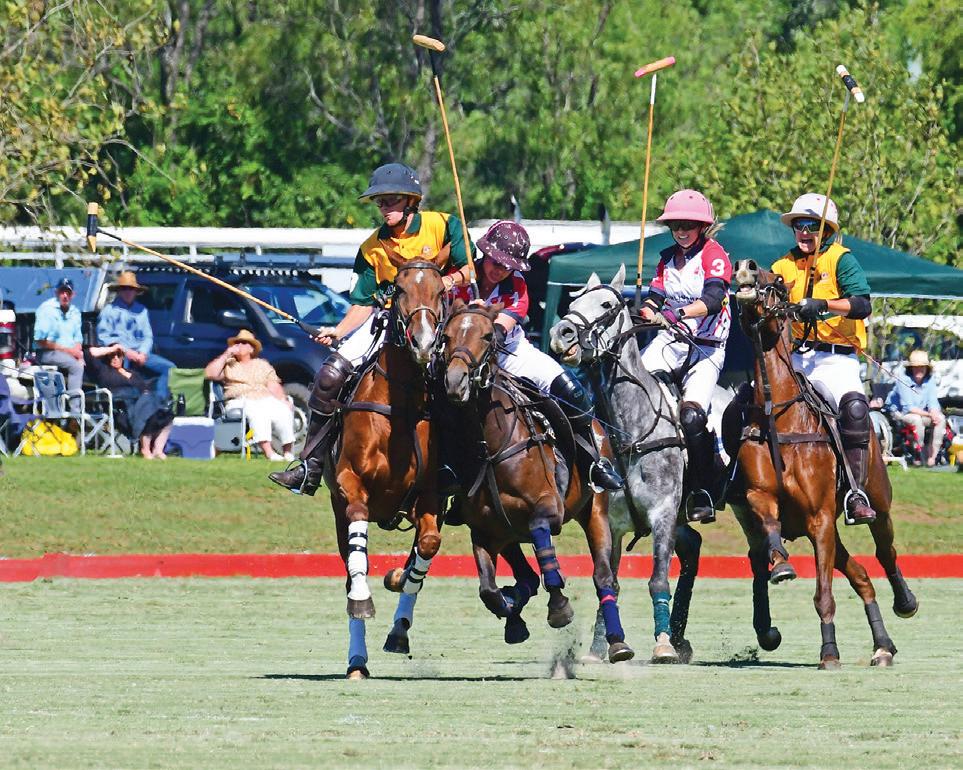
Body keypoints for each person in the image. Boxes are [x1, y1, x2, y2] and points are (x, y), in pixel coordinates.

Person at [270, 162, 473, 494]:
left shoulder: (443, 224)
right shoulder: (371, 247)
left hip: (440, 318)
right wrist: (338, 331)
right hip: (391, 320)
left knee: (462, 378)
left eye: (391, 200)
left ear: (411, 201)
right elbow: (365, 301)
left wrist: (440, 283)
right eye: (380, 202)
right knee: (329, 376)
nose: (384, 207)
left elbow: (470, 269)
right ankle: (310, 466)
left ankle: (460, 467)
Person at [452, 220, 622, 491]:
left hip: (510, 353)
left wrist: (481, 316)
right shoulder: (460, 279)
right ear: (485, 253)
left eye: (507, 265)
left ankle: (593, 462)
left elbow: (497, 335)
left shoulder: (517, 286)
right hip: (462, 355)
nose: (499, 270)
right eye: (495, 261)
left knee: (571, 390)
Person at [770, 192, 876, 524]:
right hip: (796, 357)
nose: (805, 232)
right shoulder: (781, 266)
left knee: (855, 408)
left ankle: (855, 492)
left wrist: (824, 305)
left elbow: (862, 304)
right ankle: (743, 481)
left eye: (812, 226)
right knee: (757, 403)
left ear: (826, 230)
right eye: (799, 225)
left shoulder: (841, 259)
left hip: (836, 359)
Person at [638, 190, 731, 523]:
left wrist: (676, 313)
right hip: (672, 342)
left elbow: (714, 298)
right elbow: (655, 296)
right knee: (631, 384)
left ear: (702, 226)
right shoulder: (667, 259)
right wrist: (647, 311)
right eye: (676, 225)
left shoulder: (714, 254)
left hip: (707, 347)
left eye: (688, 225)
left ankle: (702, 488)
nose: (681, 231)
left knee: (691, 416)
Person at [204, 329, 295, 461]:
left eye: (244, 343)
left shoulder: (262, 364)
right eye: (237, 343)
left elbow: (273, 385)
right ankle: (269, 453)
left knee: (283, 410)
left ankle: (288, 453)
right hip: (240, 400)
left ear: (251, 349)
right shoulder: (229, 364)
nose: (239, 345)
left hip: (264, 398)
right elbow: (209, 373)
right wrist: (227, 354)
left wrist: (282, 399)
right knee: (258, 412)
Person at [85, 343, 173, 459]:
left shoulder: (132, 373)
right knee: (149, 408)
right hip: (121, 408)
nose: (115, 358)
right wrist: (113, 348)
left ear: (123, 357)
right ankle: (145, 449)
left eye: (118, 355)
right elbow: (89, 353)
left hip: (140, 404)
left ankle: (158, 450)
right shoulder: (103, 370)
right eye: (112, 355)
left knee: (166, 414)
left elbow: (144, 390)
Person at [97, 270, 175, 397]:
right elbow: (103, 338)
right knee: (123, 369)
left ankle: (159, 400)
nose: (128, 292)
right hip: (120, 355)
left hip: (141, 354)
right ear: (119, 291)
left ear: (136, 292)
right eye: (124, 288)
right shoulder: (108, 310)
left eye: (131, 289)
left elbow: (148, 336)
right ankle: (126, 400)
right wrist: (127, 352)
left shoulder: (142, 310)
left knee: (170, 368)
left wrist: (143, 353)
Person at [885, 349, 946, 466]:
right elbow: (908, 408)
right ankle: (919, 453)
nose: (919, 369)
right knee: (916, 420)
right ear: (911, 368)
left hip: (921, 413)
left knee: (941, 418)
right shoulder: (903, 380)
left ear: (927, 368)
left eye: (922, 367)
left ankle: (932, 457)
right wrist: (929, 414)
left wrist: (934, 414)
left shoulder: (930, 381)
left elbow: (933, 403)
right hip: (900, 413)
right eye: (916, 367)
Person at [34, 277, 84, 408]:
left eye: (68, 292)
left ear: (73, 295)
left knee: (89, 362)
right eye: (62, 292)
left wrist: (78, 354)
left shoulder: (75, 312)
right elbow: (40, 340)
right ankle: (75, 411)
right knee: (76, 367)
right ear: (56, 292)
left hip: (69, 354)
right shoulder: (47, 309)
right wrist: (69, 351)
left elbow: (78, 338)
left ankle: (102, 407)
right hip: (47, 352)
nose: (65, 295)